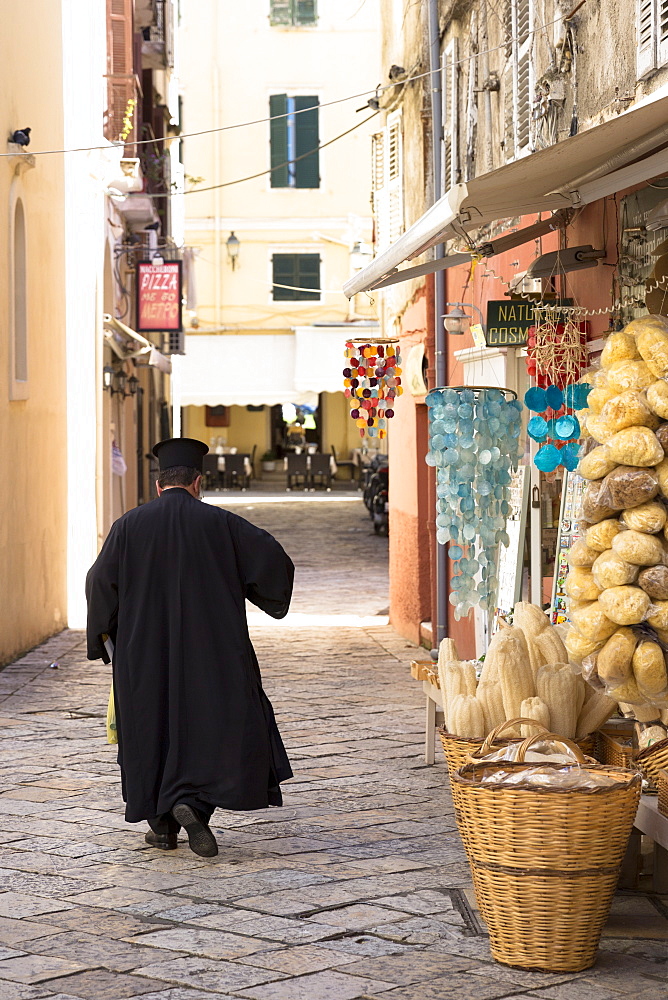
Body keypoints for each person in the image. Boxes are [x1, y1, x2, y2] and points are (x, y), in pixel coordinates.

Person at [86, 437, 294, 857]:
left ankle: (161, 826)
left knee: (149, 728)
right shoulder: (224, 524)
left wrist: (103, 636)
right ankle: (191, 803)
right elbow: (275, 564)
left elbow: (98, 583)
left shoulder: (127, 526)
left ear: (159, 485)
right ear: (198, 482)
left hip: (142, 655)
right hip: (213, 653)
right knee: (211, 727)